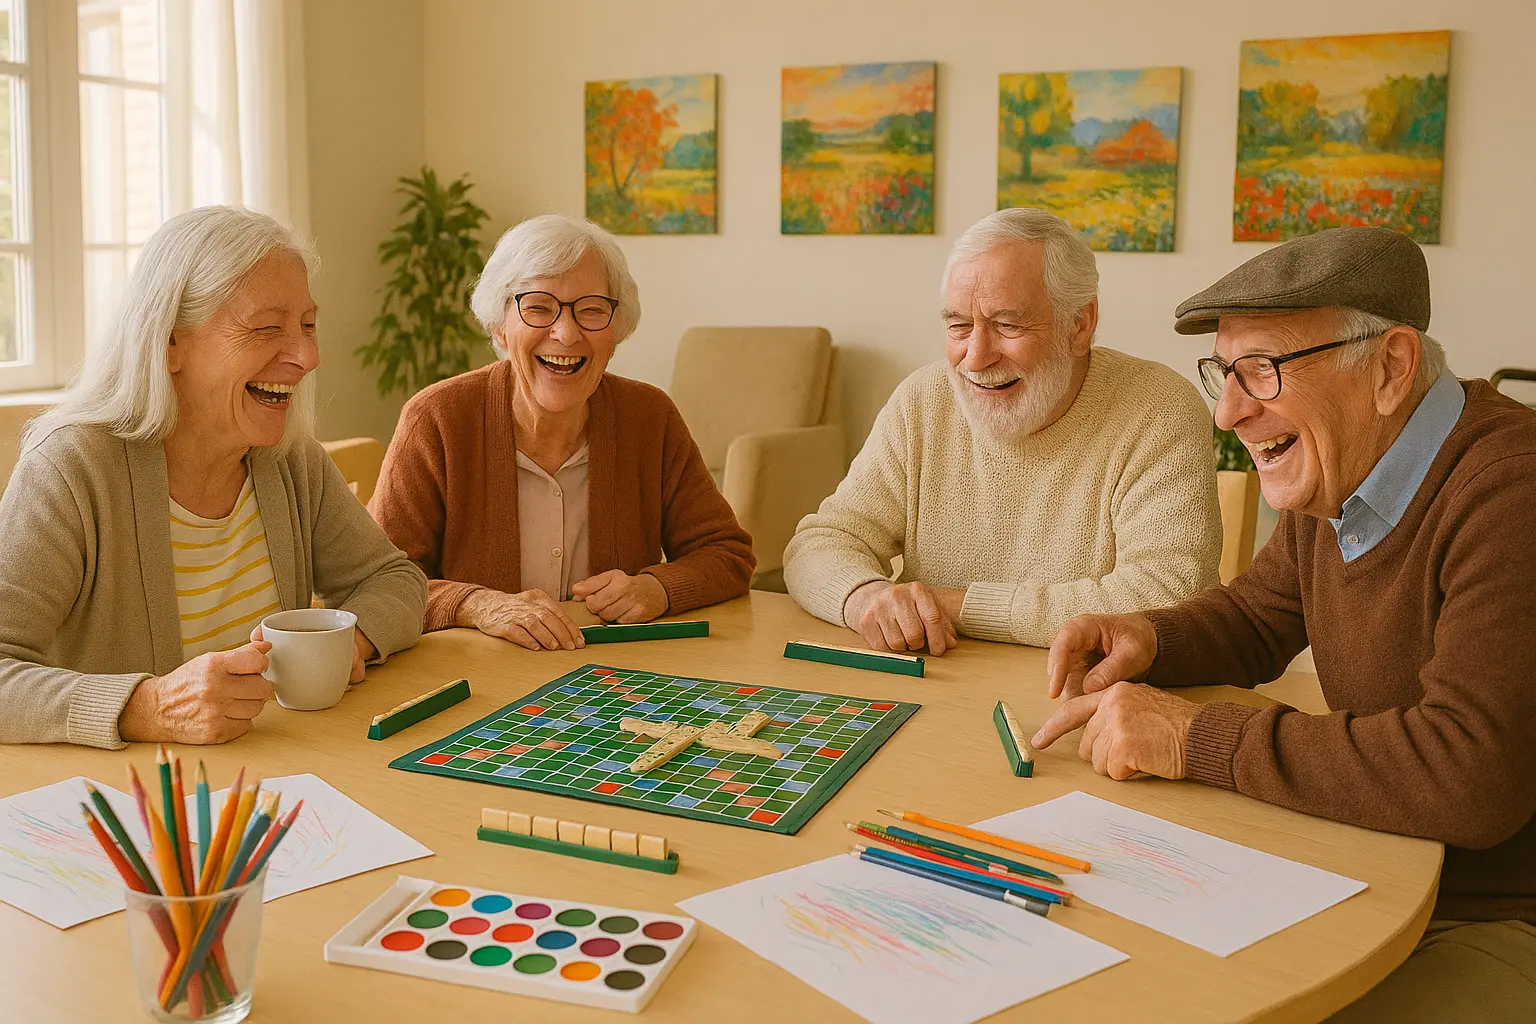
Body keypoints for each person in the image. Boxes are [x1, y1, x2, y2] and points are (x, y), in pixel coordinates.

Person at [1034, 226, 1536, 1022]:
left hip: (1496, 913)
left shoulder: (1511, 490)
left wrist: (1190, 737)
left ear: (1391, 367)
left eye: (1261, 371)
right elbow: (1260, 614)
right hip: (1382, 859)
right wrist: (1150, 637)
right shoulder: (1347, 463)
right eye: (1224, 374)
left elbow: (1468, 774)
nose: (1229, 411)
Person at [0, 206, 427, 749]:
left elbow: (394, 580)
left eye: (308, 325)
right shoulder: (72, 467)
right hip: (130, 807)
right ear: (171, 342)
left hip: (280, 778)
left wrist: (353, 642)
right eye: (267, 328)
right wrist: (144, 707)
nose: (307, 356)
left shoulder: (289, 459)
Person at [782, 207, 1221, 654]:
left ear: (1079, 324)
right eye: (958, 325)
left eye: (1007, 325)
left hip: (1091, 694)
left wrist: (952, 607)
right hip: (936, 681)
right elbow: (820, 543)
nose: (975, 357)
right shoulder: (924, 399)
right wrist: (864, 599)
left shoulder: (1159, 408)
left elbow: (1167, 597)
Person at [369, 214, 754, 651]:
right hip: (475, 678)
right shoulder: (436, 419)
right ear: (500, 324)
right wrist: (473, 604)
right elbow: (377, 582)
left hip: (617, 679)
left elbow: (727, 554)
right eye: (538, 307)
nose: (566, 333)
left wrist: (658, 588)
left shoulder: (650, 417)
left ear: (616, 331)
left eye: (591, 310)